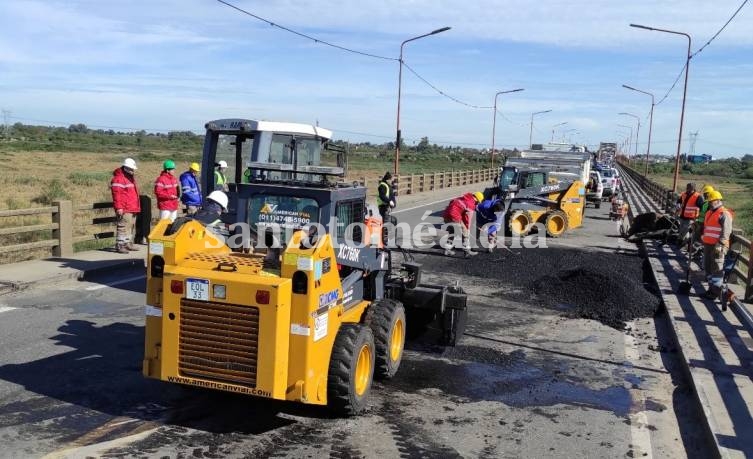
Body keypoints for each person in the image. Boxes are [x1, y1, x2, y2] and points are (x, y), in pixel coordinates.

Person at [701, 190, 733, 300]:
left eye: (712, 201)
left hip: (718, 246)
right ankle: (711, 289)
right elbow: (707, 228)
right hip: (708, 244)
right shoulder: (710, 212)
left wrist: (720, 244)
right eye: (709, 201)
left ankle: (715, 292)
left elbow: (726, 231)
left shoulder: (724, 213)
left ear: (718, 200)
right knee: (708, 268)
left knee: (716, 268)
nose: (710, 203)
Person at [110, 158, 141, 254]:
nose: (133, 171)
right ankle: (120, 245)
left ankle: (128, 243)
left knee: (130, 226)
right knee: (122, 227)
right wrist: (119, 207)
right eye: (131, 169)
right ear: (126, 168)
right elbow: (117, 195)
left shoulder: (129, 177)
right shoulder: (118, 179)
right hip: (124, 208)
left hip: (132, 207)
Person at [442, 191, 484, 257]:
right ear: (477, 200)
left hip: (446, 215)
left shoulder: (463, 198)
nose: (477, 203)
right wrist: (468, 228)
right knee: (465, 232)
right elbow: (468, 219)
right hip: (454, 216)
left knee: (452, 232)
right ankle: (467, 251)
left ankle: (447, 250)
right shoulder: (471, 204)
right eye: (478, 202)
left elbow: (452, 202)